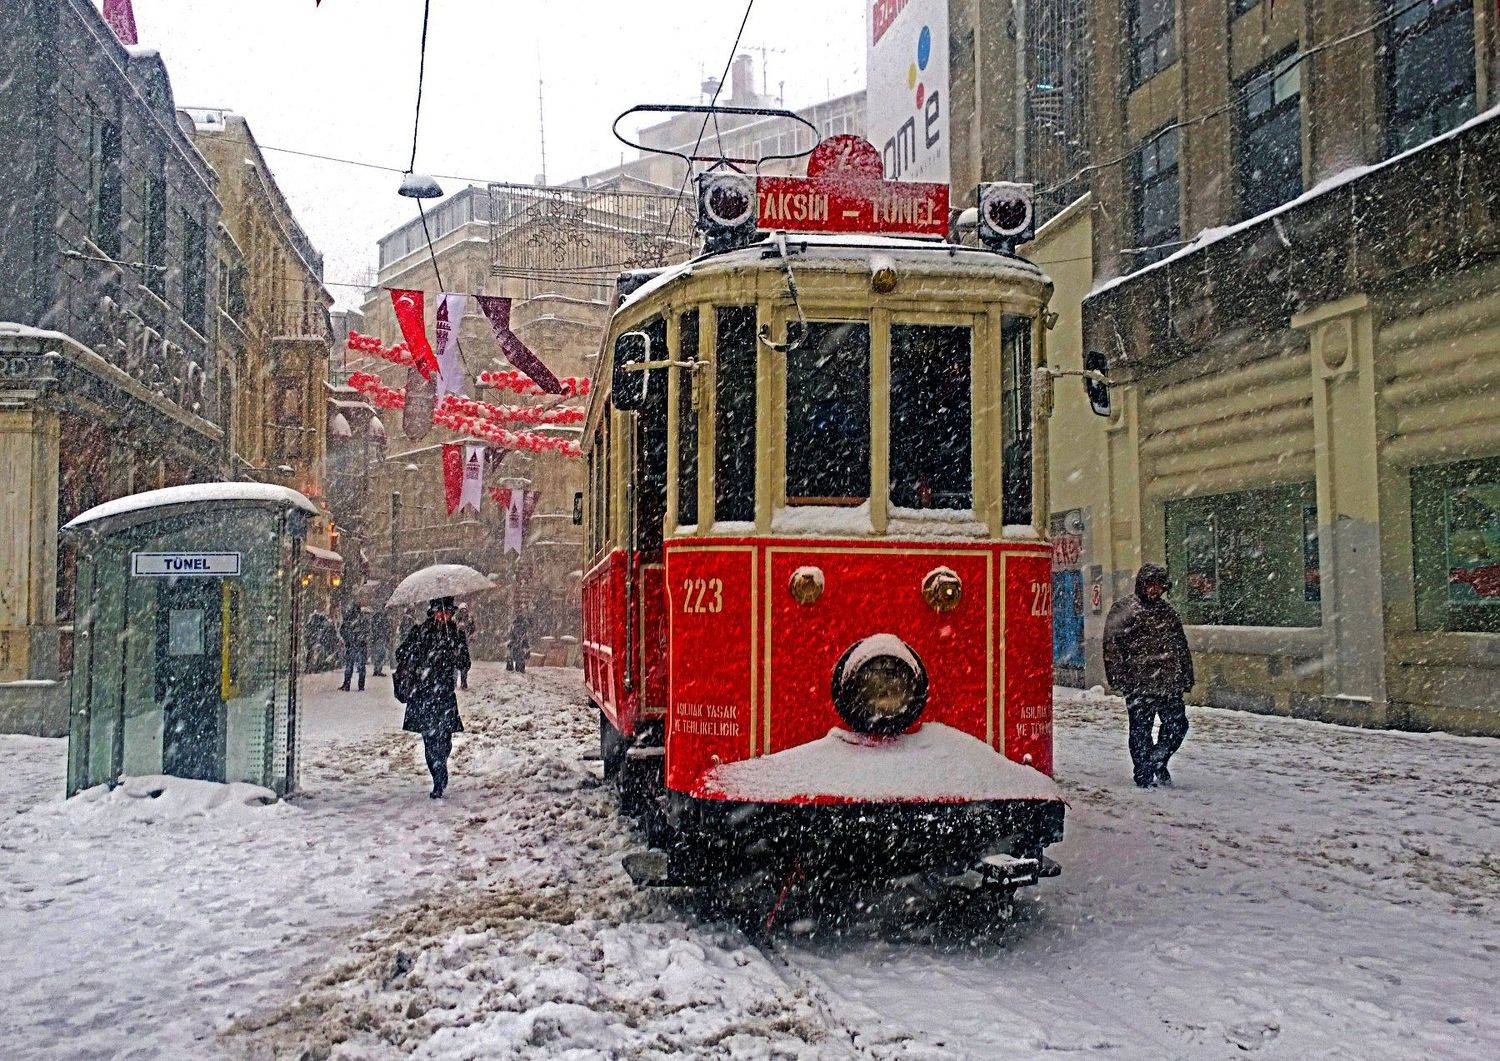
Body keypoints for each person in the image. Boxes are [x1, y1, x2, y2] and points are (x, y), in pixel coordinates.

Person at [1103, 563, 1195, 788]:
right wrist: (1118, 677)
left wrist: (1185, 676)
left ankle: (1156, 761)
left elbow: (1180, 646)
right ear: (1141, 585)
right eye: (1151, 585)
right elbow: (1112, 646)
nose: (1155, 590)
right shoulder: (1124, 609)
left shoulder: (1167, 611)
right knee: (1141, 732)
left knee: (1177, 726)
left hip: (1169, 683)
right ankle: (1143, 774)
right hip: (1138, 683)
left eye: (1159, 586)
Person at [394, 597, 471, 798]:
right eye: (440, 612)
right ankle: (437, 778)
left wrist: (456, 652)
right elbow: (401, 652)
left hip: (444, 694)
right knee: (429, 739)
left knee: (444, 740)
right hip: (423, 694)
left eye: (447, 613)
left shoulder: (456, 634)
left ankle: (441, 765)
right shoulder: (420, 632)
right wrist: (417, 657)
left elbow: (465, 664)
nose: (443, 616)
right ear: (432, 612)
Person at [339, 603, 370, 692]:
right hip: (360, 646)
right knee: (361, 667)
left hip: (351, 646)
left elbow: (342, 631)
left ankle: (347, 684)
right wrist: (362, 639)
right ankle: (361, 686)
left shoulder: (348, 619)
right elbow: (367, 632)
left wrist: (348, 640)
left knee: (349, 666)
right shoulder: (363, 620)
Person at [454, 604, 476, 689]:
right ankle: (454, 682)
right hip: (456, 646)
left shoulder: (469, 621)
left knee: (465, 665)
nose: (463, 613)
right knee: (455, 665)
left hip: (464, 646)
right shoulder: (455, 620)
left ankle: (463, 682)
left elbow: (472, 632)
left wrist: (471, 637)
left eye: (465, 611)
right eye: (462, 611)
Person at [369, 607, 393, 677]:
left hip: (379, 638)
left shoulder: (380, 617)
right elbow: (383, 629)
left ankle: (377, 670)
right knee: (381, 654)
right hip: (380, 638)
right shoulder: (381, 618)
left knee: (380, 655)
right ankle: (377, 670)